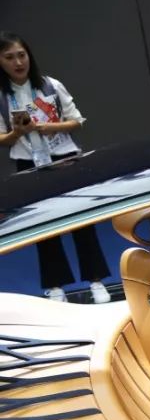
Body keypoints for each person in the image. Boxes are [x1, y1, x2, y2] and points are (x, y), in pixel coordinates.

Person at [0, 32, 110, 304]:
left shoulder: (51, 85)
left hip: (65, 157)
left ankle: (96, 281)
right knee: (43, 226)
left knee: (82, 221)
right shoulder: (1, 96)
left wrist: (48, 127)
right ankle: (55, 286)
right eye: (9, 57)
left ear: (29, 56)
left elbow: (76, 121)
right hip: (28, 164)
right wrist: (16, 133)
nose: (18, 62)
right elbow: (2, 138)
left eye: (22, 55)